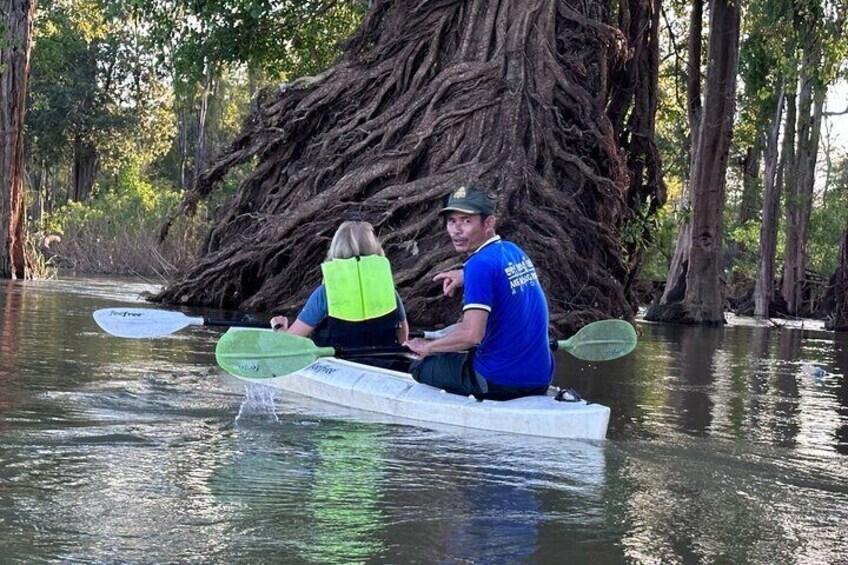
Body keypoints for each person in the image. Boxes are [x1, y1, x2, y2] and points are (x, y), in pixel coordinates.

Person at [403, 185, 553, 400]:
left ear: (489, 223)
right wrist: (463, 274)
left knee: (420, 366)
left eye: (466, 221)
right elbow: (497, 275)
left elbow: (471, 336)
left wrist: (429, 347)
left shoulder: (479, 266)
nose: (456, 230)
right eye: (451, 221)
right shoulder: (513, 251)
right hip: (540, 380)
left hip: (499, 383)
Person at [270, 220, 409, 349]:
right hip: (382, 364)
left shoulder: (325, 294)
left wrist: (279, 328)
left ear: (336, 248)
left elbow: (288, 343)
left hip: (337, 365)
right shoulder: (389, 290)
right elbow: (403, 338)